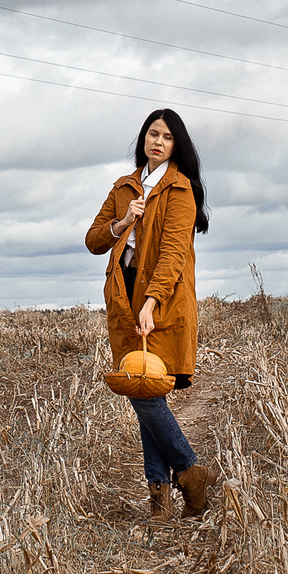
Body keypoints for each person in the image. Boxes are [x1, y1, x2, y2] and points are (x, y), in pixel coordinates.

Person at [85, 108, 217, 520]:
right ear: (143, 138)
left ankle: (187, 472)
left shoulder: (180, 190)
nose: (158, 142)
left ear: (177, 145)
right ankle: (163, 497)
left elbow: (174, 254)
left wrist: (152, 301)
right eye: (152, 134)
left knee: (146, 390)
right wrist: (123, 220)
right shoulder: (125, 187)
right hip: (124, 300)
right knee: (143, 388)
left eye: (167, 137)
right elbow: (92, 240)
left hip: (162, 302)